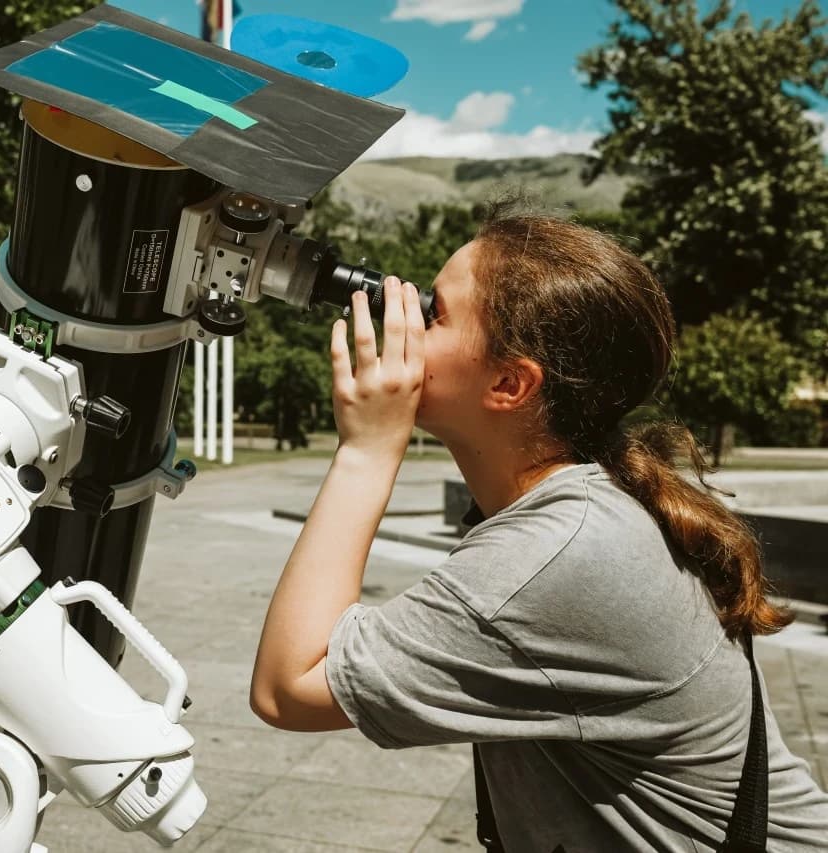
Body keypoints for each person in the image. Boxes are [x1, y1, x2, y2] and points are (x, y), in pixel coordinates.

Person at [249, 208, 828, 851]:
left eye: (435, 312)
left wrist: (367, 450)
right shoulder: (582, 507)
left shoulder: (557, 553)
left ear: (509, 383)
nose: (403, 313)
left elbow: (290, 686)